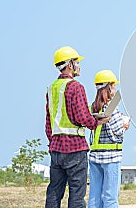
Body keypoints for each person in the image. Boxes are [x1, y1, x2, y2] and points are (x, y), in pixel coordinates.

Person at [45, 46, 110, 208]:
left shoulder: (51, 88)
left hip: (56, 150)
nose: (79, 66)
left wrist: (53, 143)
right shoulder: (76, 87)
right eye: (77, 62)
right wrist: (97, 122)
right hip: (75, 150)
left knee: (54, 191)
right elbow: (82, 117)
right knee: (76, 193)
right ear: (69, 65)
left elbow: (49, 121)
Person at [88, 70, 130, 208]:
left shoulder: (93, 107)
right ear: (109, 87)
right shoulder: (112, 108)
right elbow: (118, 130)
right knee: (110, 197)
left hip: (95, 157)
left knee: (94, 195)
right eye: (113, 85)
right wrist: (124, 125)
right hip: (111, 157)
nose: (115, 89)